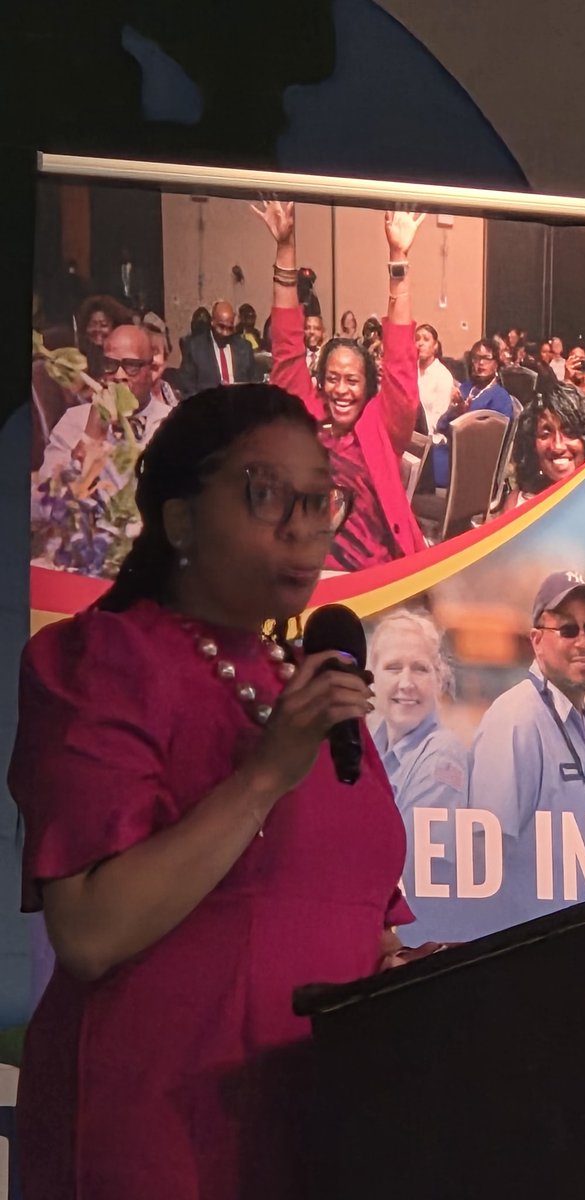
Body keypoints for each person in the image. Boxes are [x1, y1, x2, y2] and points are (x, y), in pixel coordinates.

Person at [11, 382, 423, 1199]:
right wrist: (266, 775)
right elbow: (91, 930)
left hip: (320, 1128)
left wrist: (403, 968)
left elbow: (348, 914)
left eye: (318, 498)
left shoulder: (312, 689)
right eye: (267, 494)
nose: (302, 525)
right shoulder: (105, 660)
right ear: (180, 521)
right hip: (162, 1134)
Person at [254, 198, 427, 571]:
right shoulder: (305, 420)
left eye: (352, 380)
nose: (341, 390)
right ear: (320, 383)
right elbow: (286, 350)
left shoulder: (382, 428)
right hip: (306, 574)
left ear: (367, 388)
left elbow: (400, 363)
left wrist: (399, 259)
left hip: (372, 578)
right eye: (332, 379)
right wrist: (285, 248)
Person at [464, 571, 585, 936]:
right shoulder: (517, 718)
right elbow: (483, 861)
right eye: (568, 630)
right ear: (537, 642)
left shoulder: (584, 722)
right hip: (539, 960)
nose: (584, 641)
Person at [368, 609, 467, 942]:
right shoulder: (369, 746)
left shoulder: (442, 756)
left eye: (420, 669)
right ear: (373, 677)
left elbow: (404, 867)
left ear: (439, 680)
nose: (406, 683)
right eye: (393, 667)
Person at [38, 324, 172, 490]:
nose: (119, 375)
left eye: (132, 366)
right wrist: (88, 440)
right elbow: (44, 500)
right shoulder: (75, 421)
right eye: (110, 364)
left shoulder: (173, 424)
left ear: (151, 370)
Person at [504, 384, 585, 510]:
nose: (557, 446)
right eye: (545, 434)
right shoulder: (517, 506)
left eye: (569, 432)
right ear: (532, 445)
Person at [430, 339, 514, 489]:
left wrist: (464, 416)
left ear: (496, 363)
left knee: (424, 467)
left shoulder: (500, 397)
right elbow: (441, 426)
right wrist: (455, 412)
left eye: (486, 358)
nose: (480, 363)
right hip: (451, 452)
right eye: (476, 358)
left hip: (472, 464)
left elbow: (492, 442)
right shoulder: (466, 388)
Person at [178, 300, 256, 396]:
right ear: (212, 322)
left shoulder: (244, 348)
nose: (225, 333)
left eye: (229, 328)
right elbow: (187, 387)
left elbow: (253, 384)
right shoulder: (195, 348)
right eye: (221, 327)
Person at [415, 322, 457, 433]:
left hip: (431, 438)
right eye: (417, 339)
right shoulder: (409, 370)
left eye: (426, 339)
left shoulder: (443, 376)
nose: (420, 343)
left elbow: (439, 420)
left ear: (435, 346)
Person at [303, 314, 326, 378]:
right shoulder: (296, 357)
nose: (312, 332)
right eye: (308, 328)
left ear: (322, 332)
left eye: (317, 328)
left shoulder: (327, 357)